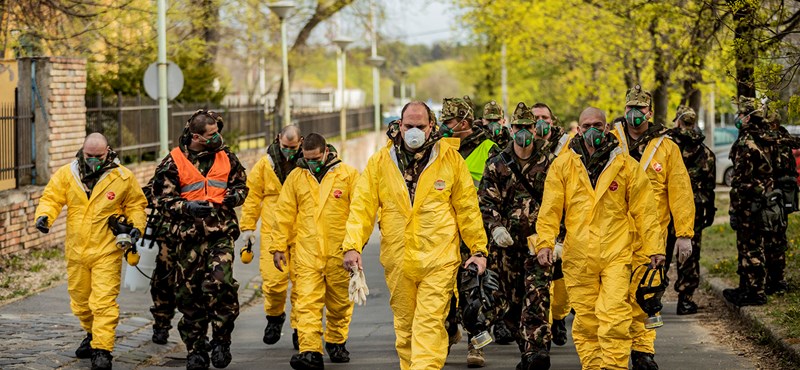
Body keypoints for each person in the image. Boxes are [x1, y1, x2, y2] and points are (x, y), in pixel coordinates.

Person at [340, 101, 489, 370]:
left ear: (432, 126)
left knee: (430, 323)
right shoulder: (381, 162)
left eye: (420, 126)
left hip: (439, 258)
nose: (414, 131)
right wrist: (352, 246)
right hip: (398, 259)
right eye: (409, 126)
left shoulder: (450, 159)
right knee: (406, 328)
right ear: (399, 125)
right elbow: (361, 208)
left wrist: (478, 250)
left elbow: (467, 207)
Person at [533, 107, 662, 370]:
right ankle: (593, 366)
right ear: (578, 129)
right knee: (587, 320)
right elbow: (550, 209)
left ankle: (614, 367)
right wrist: (545, 242)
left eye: (598, 125)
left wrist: (654, 248)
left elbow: (645, 210)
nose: (593, 130)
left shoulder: (625, 164)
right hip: (579, 255)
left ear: (607, 128)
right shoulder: (564, 165)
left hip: (616, 252)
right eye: (587, 125)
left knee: (614, 315)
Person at [34, 133, 148, 370]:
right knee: (80, 303)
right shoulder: (68, 174)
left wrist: (136, 227)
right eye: (89, 156)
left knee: (103, 302)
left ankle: (102, 350)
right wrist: (44, 217)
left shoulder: (122, 177)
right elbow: (52, 198)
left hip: (106, 250)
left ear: (108, 151)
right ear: (82, 151)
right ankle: (91, 332)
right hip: (76, 251)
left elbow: (136, 205)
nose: (94, 160)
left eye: (98, 156)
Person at [150, 110, 248, 370]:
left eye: (218, 131)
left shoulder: (226, 157)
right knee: (189, 295)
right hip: (188, 238)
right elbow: (161, 199)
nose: (218, 137)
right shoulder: (173, 161)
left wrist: (234, 197)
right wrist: (187, 208)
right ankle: (196, 348)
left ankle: (221, 340)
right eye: (212, 134)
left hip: (220, 234)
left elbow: (241, 185)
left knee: (221, 284)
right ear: (196, 136)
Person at [613, 85, 694, 370]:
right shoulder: (611, 142)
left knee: (647, 295)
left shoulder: (667, 147)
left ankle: (643, 352)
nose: (635, 114)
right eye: (630, 108)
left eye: (641, 109)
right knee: (615, 296)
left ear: (650, 112)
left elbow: (680, 191)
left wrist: (684, 234)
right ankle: (615, 351)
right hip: (612, 235)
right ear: (624, 111)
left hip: (652, 238)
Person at [268, 133, 359, 370]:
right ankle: (310, 351)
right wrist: (278, 246)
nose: (312, 163)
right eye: (308, 159)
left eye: (316, 158)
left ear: (326, 152)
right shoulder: (297, 177)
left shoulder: (347, 175)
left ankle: (336, 340)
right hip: (307, 253)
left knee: (339, 303)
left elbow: (361, 213)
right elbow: (284, 213)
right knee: (306, 302)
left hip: (340, 253)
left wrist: (355, 246)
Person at [478, 102, 555, 369]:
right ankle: (526, 349)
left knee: (537, 297)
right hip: (506, 248)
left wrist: (558, 239)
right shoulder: (498, 163)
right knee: (510, 303)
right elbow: (486, 202)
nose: (523, 132)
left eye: (528, 127)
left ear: (535, 129)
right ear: (511, 129)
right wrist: (496, 227)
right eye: (518, 127)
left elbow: (562, 202)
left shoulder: (551, 162)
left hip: (539, 245)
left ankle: (536, 352)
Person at [439, 96, 499, 366]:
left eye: (449, 122)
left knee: (474, 291)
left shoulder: (489, 148)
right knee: (443, 291)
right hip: (442, 232)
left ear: (465, 121)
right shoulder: (439, 149)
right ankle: (450, 330)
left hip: (474, 230)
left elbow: (496, 191)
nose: (445, 127)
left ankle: (477, 344)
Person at [240, 125, 303, 348]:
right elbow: (252, 195)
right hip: (272, 232)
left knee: (302, 285)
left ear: (301, 142)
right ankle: (275, 317)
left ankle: (300, 328)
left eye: (293, 147)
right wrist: (248, 227)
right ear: (278, 140)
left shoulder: (307, 164)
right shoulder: (265, 165)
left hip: (301, 234)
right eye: (286, 147)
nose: (289, 151)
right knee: (274, 283)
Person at [665, 105, 716, 314]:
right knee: (689, 255)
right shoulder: (705, 151)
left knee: (661, 252)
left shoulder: (666, 146)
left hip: (666, 208)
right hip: (693, 210)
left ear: (677, 121)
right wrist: (709, 211)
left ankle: (653, 297)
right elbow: (710, 186)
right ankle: (685, 300)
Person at [725, 96, 776, 306]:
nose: (738, 118)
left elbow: (741, 179)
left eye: (740, 114)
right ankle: (747, 288)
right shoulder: (767, 137)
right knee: (754, 246)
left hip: (749, 203)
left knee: (750, 247)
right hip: (761, 200)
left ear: (747, 118)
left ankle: (755, 292)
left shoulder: (747, 142)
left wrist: (735, 206)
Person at [530, 102, 572, 347]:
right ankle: (540, 334)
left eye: (545, 117)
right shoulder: (521, 148)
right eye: (535, 117)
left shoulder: (567, 146)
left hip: (563, 223)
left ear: (553, 121)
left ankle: (558, 317)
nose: (540, 122)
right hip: (532, 224)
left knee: (561, 282)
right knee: (538, 283)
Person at [764, 107, 800, 296]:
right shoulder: (785, 139)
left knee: (775, 238)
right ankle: (776, 278)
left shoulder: (776, 140)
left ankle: (775, 279)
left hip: (777, 196)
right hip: (781, 195)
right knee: (777, 237)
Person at [142, 176, 179, 345]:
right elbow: (147, 195)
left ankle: (198, 331)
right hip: (169, 237)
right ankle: (161, 324)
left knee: (198, 284)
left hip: (200, 236)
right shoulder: (171, 166)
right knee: (164, 280)